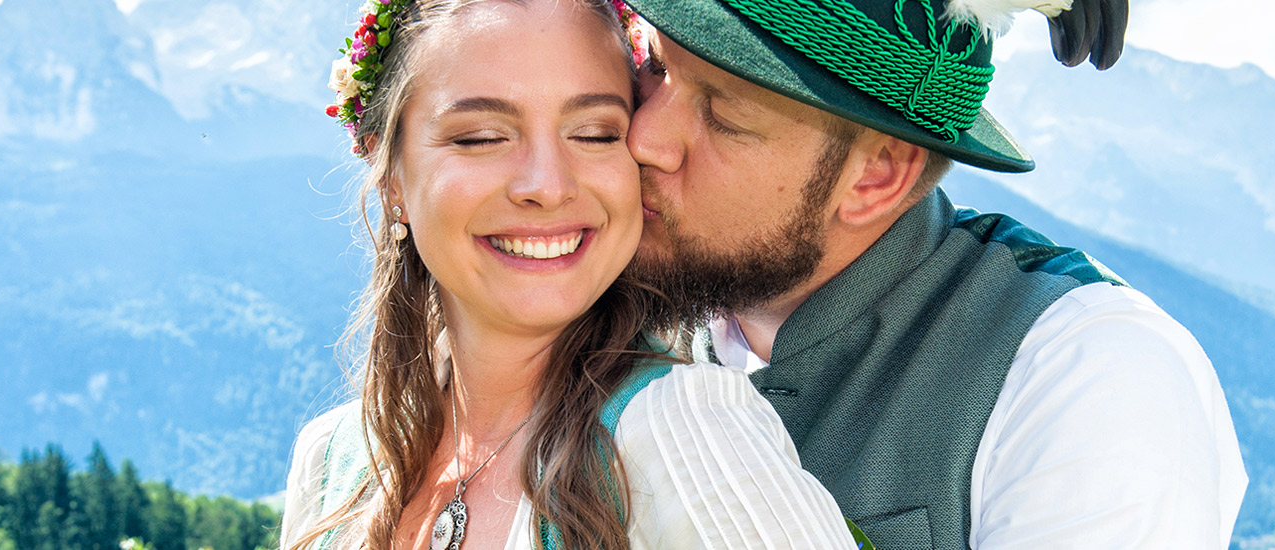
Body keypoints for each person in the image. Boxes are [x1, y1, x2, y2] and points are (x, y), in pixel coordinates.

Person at [617, 0, 1249, 548]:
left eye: (726, 116)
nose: (644, 137)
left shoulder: (1091, 372)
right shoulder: (617, 303)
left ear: (877, 175)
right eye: (657, 66)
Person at [275, 1, 853, 549]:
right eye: (481, 138)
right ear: (392, 177)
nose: (548, 185)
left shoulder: (681, 429)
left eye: (595, 133)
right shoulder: (330, 462)